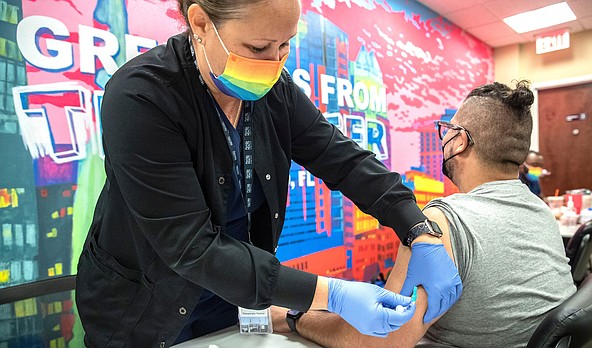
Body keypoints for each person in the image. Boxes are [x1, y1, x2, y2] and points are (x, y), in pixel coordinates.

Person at [74, 0, 462, 346]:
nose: (275, 64)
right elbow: (191, 246)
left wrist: (416, 226)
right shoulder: (142, 97)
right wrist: (334, 295)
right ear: (201, 23)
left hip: (231, 299)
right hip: (141, 310)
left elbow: (344, 160)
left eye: (285, 45)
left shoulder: (274, 92)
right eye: (258, 48)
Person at [271, 80, 576, 347]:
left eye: (448, 131)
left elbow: (378, 342)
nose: (444, 139)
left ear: (459, 141)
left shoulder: (441, 222)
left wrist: (293, 317)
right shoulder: (542, 211)